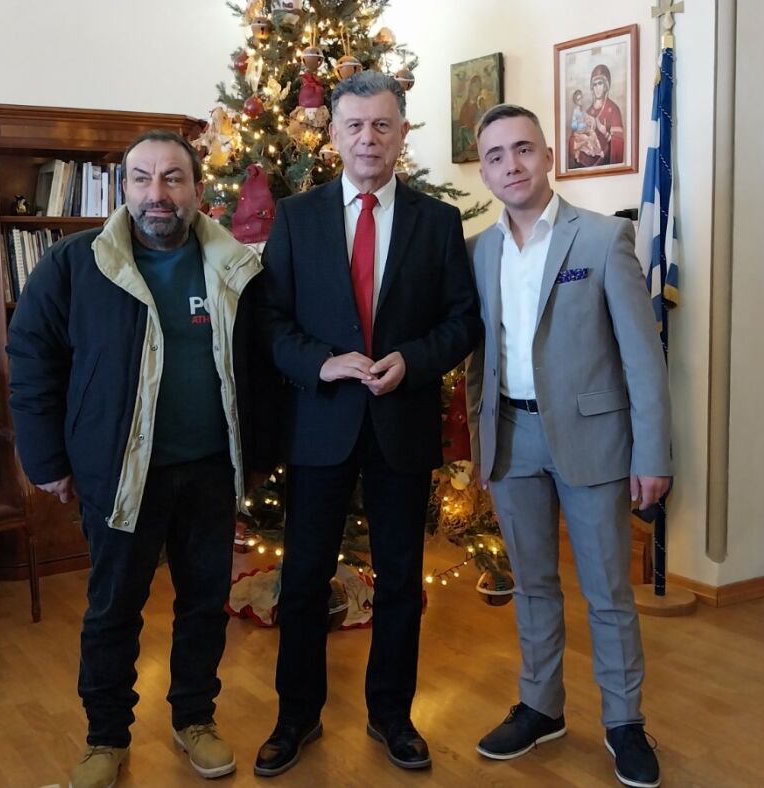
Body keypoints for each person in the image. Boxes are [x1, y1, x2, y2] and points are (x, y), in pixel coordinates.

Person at [6, 129, 276, 788]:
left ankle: (195, 720)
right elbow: (32, 361)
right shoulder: (74, 266)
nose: (158, 194)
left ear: (197, 189)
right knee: (113, 611)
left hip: (211, 471)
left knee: (203, 605)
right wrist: (46, 460)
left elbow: (264, 365)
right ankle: (105, 738)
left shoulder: (235, 267)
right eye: (142, 179)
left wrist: (260, 454)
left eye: (173, 179)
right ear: (123, 188)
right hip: (120, 473)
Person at [253, 71, 482, 777]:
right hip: (320, 425)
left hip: (400, 425)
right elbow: (270, 321)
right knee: (303, 581)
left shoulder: (436, 222)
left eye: (382, 125)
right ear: (333, 134)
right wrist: (320, 364)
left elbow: (462, 321)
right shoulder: (297, 217)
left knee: (402, 581)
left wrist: (412, 362)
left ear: (402, 132)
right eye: (354, 125)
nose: (368, 138)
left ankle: (392, 716)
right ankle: (296, 717)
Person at [464, 103, 672, 788]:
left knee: (608, 591)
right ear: (484, 170)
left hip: (594, 441)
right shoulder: (480, 250)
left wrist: (653, 453)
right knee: (532, 585)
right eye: (496, 156)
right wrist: (481, 443)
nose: (511, 165)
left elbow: (643, 357)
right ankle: (541, 707)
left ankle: (624, 722)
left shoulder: (603, 239)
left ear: (548, 156)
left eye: (523, 149)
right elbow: (480, 357)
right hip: (512, 439)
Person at [577, 64, 626, 167]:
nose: (597, 88)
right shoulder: (588, 112)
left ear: (606, 86)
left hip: (607, 165)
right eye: (594, 84)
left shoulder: (613, 109)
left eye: (600, 83)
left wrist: (605, 132)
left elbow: (619, 145)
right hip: (587, 167)